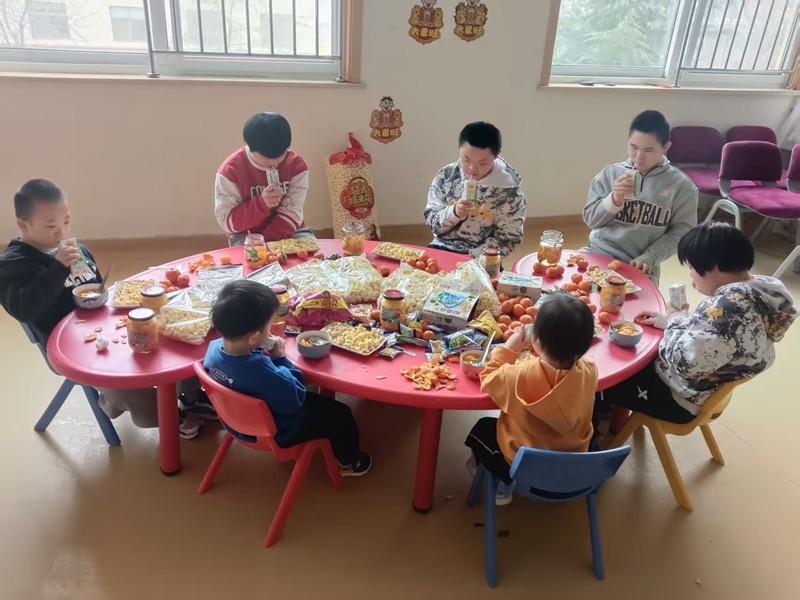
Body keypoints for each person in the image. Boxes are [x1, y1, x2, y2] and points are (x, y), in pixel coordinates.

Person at [0, 180, 209, 438]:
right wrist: (57, 268)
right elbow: (23, 309)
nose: (62, 231)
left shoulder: (78, 251)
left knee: (171, 337)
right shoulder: (13, 265)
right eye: (51, 226)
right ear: (23, 225)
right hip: (67, 347)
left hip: (103, 327)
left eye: (67, 221)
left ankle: (192, 397)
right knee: (122, 381)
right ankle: (163, 414)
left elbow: (98, 289)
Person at [594, 222, 797, 442]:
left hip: (679, 398)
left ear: (715, 266)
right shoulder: (758, 293)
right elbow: (710, 338)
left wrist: (676, 318)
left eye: (692, 267)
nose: (691, 274)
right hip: (708, 386)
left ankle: (593, 438)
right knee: (634, 351)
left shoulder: (727, 311)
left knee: (599, 378)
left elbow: (683, 363)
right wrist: (668, 320)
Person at [204, 280, 372, 476]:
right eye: (269, 326)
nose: (270, 330)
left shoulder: (213, 349)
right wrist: (280, 358)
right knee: (340, 413)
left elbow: (243, 369)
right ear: (253, 337)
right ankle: (349, 461)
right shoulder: (263, 373)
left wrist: (257, 348)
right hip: (281, 430)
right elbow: (296, 398)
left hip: (234, 421)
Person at [465, 293, 598, 505]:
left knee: (482, 428)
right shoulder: (590, 371)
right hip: (575, 466)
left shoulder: (516, 376)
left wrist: (508, 349)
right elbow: (559, 377)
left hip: (525, 468)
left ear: (537, 340)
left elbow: (488, 378)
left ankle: (501, 486)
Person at [582, 110, 698, 285]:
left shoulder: (682, 186)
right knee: (571, 293)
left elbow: (682, 233)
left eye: (648, 150)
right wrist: (613, 200)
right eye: (633, 147)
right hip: (599, 252)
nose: (638, 156)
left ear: (666, 147)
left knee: (636, 302)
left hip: (642, 263)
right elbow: (591, 220)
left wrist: (651, 256)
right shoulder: (609, 174)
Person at [424, 122, 526, 258]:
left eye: (482, 163)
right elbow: (432, 222)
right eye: (466, 160)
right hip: (442, 247)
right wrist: (454, 212)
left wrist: (474, 257)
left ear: (496, 155)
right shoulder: (446, 177)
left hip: (483, 256)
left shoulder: (510, 194)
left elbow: (509, 239)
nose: (472, 168)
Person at [215, 112, 314, 246]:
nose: (274, 162)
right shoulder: (231, 171)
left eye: (280, 155)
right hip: (246, 235)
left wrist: (268, 244)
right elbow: (228, 221)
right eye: (266, 157)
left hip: (291, 231)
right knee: (248, 258)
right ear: (250, 146)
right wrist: (262, 204)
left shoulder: (297, 166)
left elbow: (292, 212)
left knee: (312, 256)